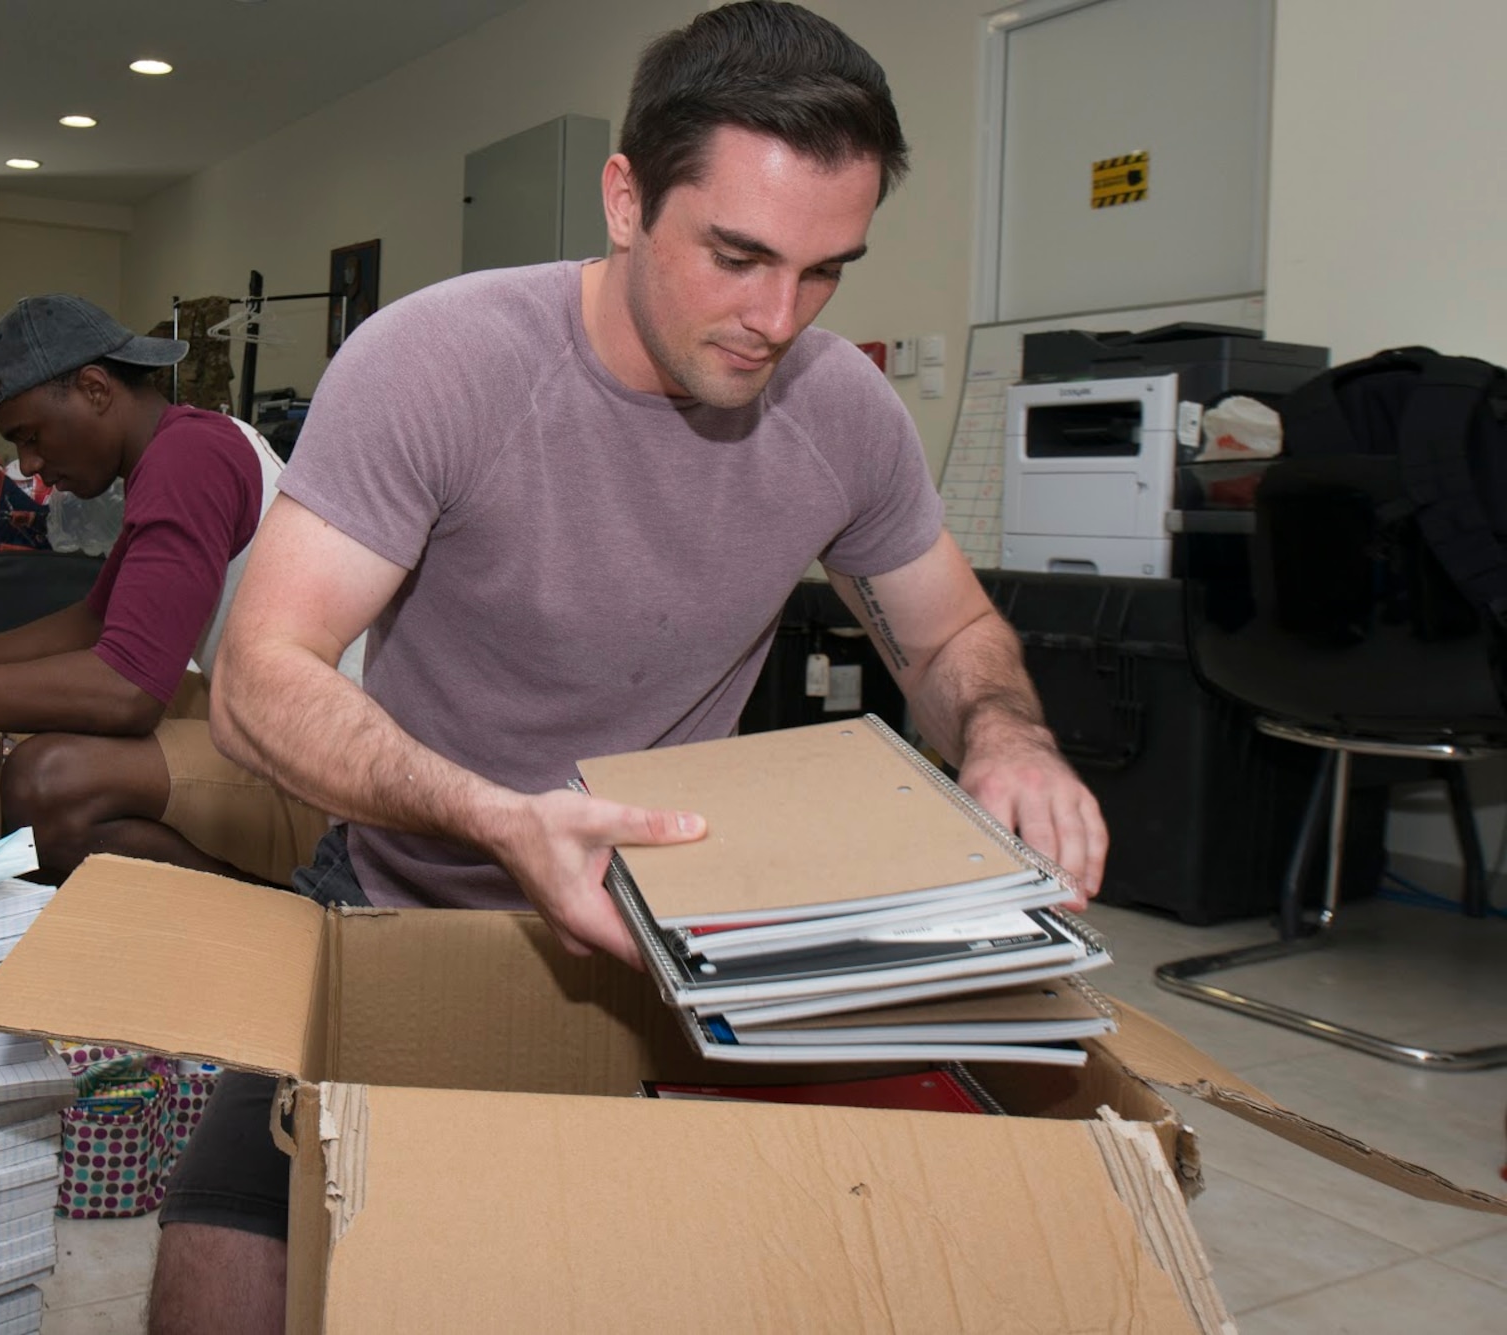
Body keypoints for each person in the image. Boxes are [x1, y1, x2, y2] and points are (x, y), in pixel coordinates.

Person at [151, 4, 1108, 1331]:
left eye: (827, 270)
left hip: (670, 924)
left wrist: (1009, 734)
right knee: (216, 1287)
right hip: (401, 887)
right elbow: (262, 677)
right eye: (737, 255)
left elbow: (947, 633)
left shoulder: (840, 413)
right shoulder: (441, 362)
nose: (777, 317)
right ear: (623, 196)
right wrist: (500, 814)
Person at [0, 294, 336, 887]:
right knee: (38, 721)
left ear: (97, 389)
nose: (31, 465)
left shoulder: (188, 458)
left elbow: (126, 691)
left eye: (33, 436)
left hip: (329, 784)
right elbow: (88, 623)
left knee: (46, 782)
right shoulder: (179, 447)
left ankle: (294, 921)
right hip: (279, 726)